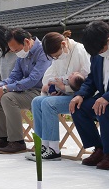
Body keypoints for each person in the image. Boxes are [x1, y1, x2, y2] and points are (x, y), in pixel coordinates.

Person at [69, 21, 109, 170]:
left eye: (101, 50)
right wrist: (80, 95)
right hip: (105, 98)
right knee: (78, 107)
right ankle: (99, 148)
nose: (100, 54)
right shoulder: (97, 53)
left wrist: (108, 97)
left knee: (105, 108)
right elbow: (91, 79)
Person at [0, 28, 51, 154]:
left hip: (41, 92)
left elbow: (32, 79)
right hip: (26, 91)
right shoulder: (22, 53)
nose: (15, 53)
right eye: (13, 50)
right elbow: (14, 76)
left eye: (16, 50)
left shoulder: (43, 51)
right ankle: (3, 138)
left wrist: (4, 88)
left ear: (26, 42)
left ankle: (18, 141)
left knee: (8, 98)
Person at [26, 30, 90, 161]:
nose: (56, 58)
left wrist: (64, 86)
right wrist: (56, 88)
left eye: (56, 55)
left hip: (80, 97)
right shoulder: (59, 55)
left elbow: (87, 79)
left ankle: (54, 149)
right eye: (53, 57)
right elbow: (48, 78)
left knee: (48, 103)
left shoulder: (79, 51)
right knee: (37, 101)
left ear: (63, 44)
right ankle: (42, 146)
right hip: (66, 94)